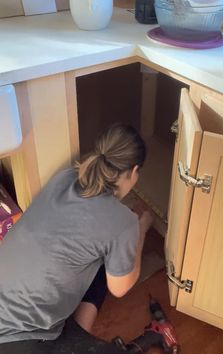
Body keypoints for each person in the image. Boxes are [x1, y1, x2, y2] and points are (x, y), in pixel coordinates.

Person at [0, 123, 153, 353]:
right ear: (133, 171)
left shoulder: (66, 177)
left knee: (98, 264)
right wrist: (140, 229)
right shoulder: (124, 223)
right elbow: (120, 289)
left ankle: (75, 336)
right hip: (17, 339)